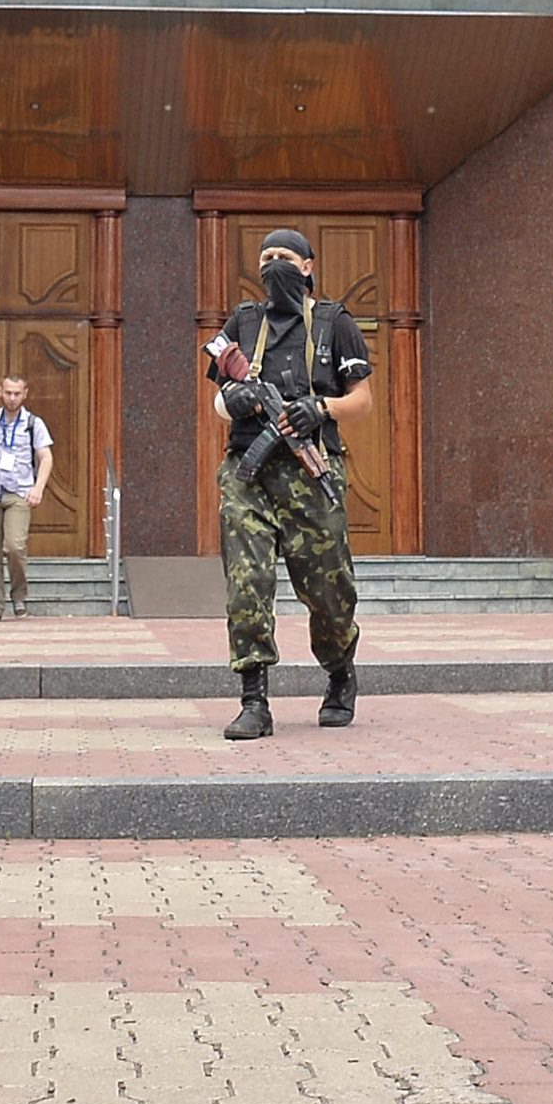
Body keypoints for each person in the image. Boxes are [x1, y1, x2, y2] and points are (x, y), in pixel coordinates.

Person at [210, 229, 370, 741]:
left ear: (307, 267)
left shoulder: (334, 323)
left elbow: (362, 401)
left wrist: (320, 407)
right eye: (267, 257)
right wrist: (232, 400)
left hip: (311, 470)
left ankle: (340, 672)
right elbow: (219, 397)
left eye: (284, 256)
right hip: (248, 471)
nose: (274, 263)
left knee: (328, 590)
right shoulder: (243, 322)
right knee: (247, 583)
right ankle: (253, 700)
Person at [0, 374, 52, 621]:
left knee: (15, 547)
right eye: (8, 393)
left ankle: (19, 595)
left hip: (19, 492)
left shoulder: (33, 423)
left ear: (25, 394)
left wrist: (38, 488)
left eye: (17, 393)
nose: (12, 398)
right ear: (0, 392)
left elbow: (46, 457)